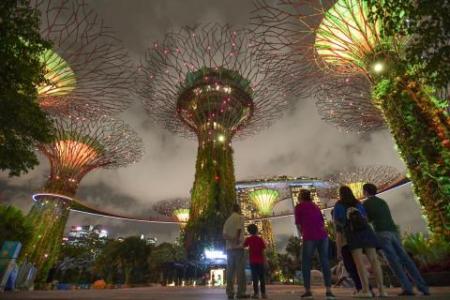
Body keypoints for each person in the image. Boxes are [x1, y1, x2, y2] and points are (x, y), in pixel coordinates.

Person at [362, 183, 430, 296]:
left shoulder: (366, 203)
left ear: (366, 192)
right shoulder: (382, 202)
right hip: (393, 231)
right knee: (405, 259)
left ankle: (407, 287)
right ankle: (423, 287)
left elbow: (367, 220)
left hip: (381, 232)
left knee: (394, 261)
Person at [333, 186, 386, 298]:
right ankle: (382, 290)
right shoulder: (358, 203)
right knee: (374, 260)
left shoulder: (338, 205)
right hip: (366, 230)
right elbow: (365, 218)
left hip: (352, 233)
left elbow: (337, 222)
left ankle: (366, 290)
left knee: (359, 263)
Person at [295, 189, 336, 299]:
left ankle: (308, 291)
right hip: (323, 236)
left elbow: (298, 225)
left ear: (300, 197)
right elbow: (322, 222)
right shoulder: (315, 206)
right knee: (324, 261)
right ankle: (329, 291)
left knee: (306, 263)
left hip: (309, 236)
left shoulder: (299, 207)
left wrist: (303, 235)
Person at [223, 204, 249, 299]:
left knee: (230, 271)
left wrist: (231, 240)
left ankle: (230, 292)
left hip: (229, 249)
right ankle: (241, 292)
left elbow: (224, 235)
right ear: (238, 209)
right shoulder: (240, 217)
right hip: (238, 248)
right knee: (240, 271)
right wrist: (237, 240)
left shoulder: (227, 220)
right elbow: (239, 229)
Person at [244, 224, 267, 299]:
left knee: (254, 278)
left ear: (249, 231)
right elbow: (263, 251)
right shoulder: (260, 239)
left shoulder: (248, 239)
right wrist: (265, 261)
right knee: (262, 278)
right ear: (257, 230)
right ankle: (263, 294)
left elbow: (243, 246)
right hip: (260, 261)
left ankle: (256, 293)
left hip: (252, 262)